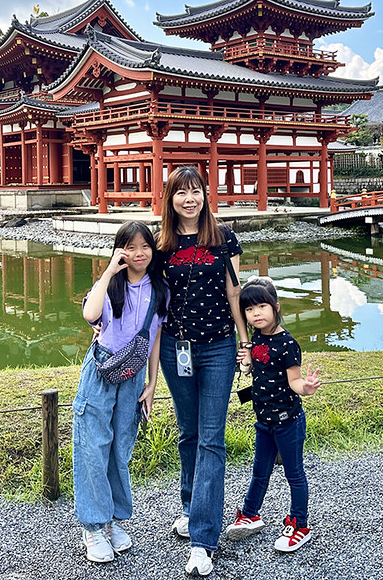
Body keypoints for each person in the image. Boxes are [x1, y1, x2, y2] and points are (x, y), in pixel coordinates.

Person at [156, 165, 250, 578]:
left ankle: (203, 539)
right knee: (188, 432)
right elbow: (143, 290)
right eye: (182, 193)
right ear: (170, 199)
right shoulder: (160, 243)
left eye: (196, 191)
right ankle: (192, 507)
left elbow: (234, 289)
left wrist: (245, 340)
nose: (190, 199)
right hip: (177, 348)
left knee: (211, 438)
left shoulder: (223, 237)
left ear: (206, 195)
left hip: (218, 348)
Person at [73, 221, 168, 564]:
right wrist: (110, 269)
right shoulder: (110, 283)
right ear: (119, 249)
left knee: (120, 448)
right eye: (130, 247)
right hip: (102, 369)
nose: (138, 253)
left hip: (133, 376)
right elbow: (90, 313)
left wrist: (152, 384)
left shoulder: (160, 290)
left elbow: (154, 340)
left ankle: (113, 520)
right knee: (92, 446)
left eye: (145, 246)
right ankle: (93, 527)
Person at [226, 277, 321, 553]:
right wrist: (247, 363)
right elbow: (256, 368)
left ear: (276, 308)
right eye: (249, 309)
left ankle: (300, 525)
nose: (256, 313)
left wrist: (307, 388)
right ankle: (250, 513)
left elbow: (294, 382)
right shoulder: (256, 338)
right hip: (264, 421)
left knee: (294, 475)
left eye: (261, 307)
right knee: (259, 472)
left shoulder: (288, 344)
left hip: (288, 422)